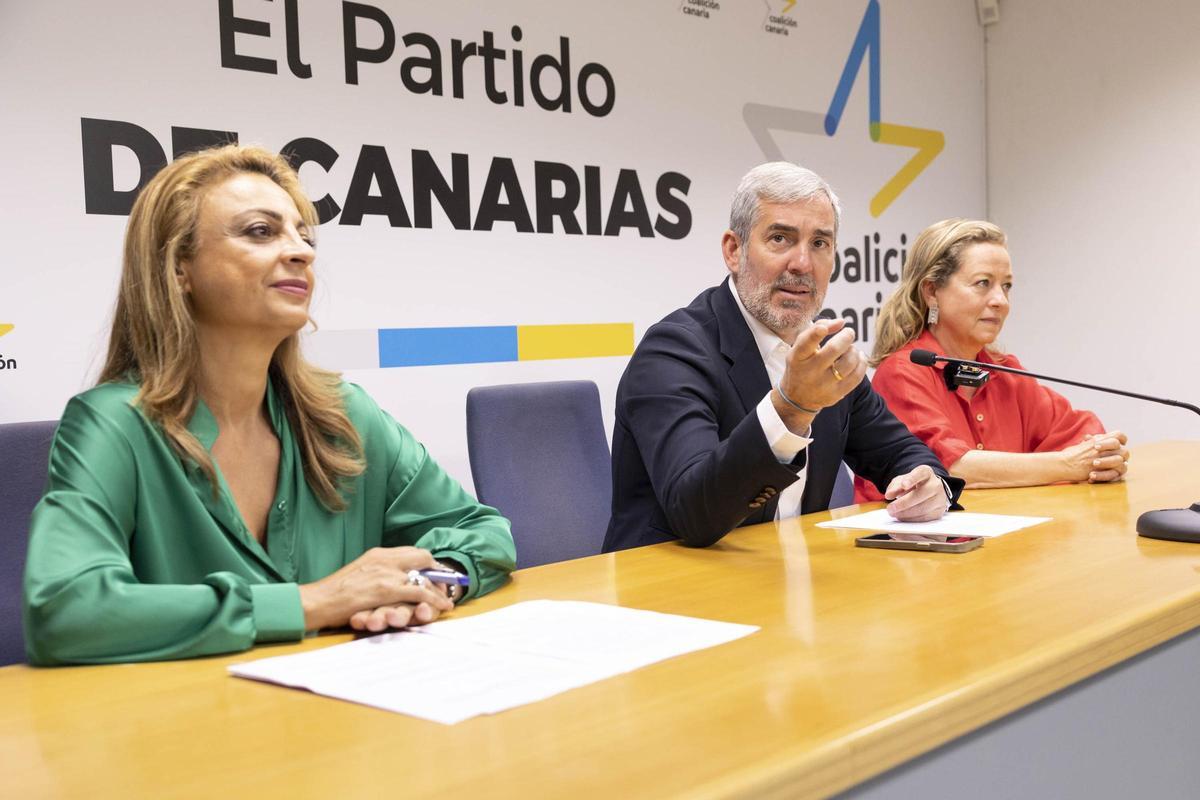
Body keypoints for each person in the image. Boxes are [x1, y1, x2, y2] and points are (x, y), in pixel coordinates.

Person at [23, 145, 516, 665]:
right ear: (179, 268)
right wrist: (317, 602)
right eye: (261, 231)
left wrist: (423, 586)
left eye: (303, 234)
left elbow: (481, 530)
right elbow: (64, 609)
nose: (302, 251)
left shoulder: (343, 413)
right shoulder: (113, 424)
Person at [603, 162, 962, 552]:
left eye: (820, 244)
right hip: (669, 591)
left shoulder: (827, 349)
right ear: (733, 250)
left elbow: (901, 452)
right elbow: (693, 514)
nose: (802, 264)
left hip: (787, 579)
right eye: (780, 239)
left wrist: (930, 485)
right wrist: (792, 408)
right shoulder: (673, 351)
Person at [857, 218, 1128, 500]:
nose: (1001, 300)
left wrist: (1103, 456)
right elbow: (951, 470)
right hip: (917, 540)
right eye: (983, 283)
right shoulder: (904, 372)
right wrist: (1068, 465)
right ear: (932, 292)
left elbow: (1082, 433)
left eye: (1007, 286)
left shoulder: (1004, 371)